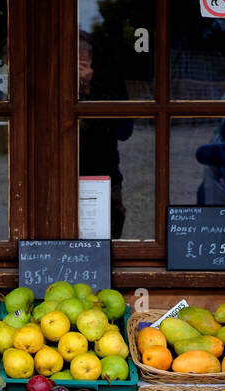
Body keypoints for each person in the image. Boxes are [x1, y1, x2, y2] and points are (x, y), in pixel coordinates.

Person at [77, 31, 133, 238]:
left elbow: (124, 130)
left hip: (102, 173)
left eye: (84, 56)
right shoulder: (53, 84)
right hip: (58, 174)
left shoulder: (109, 82)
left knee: (107, 232)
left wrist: (90, 91)